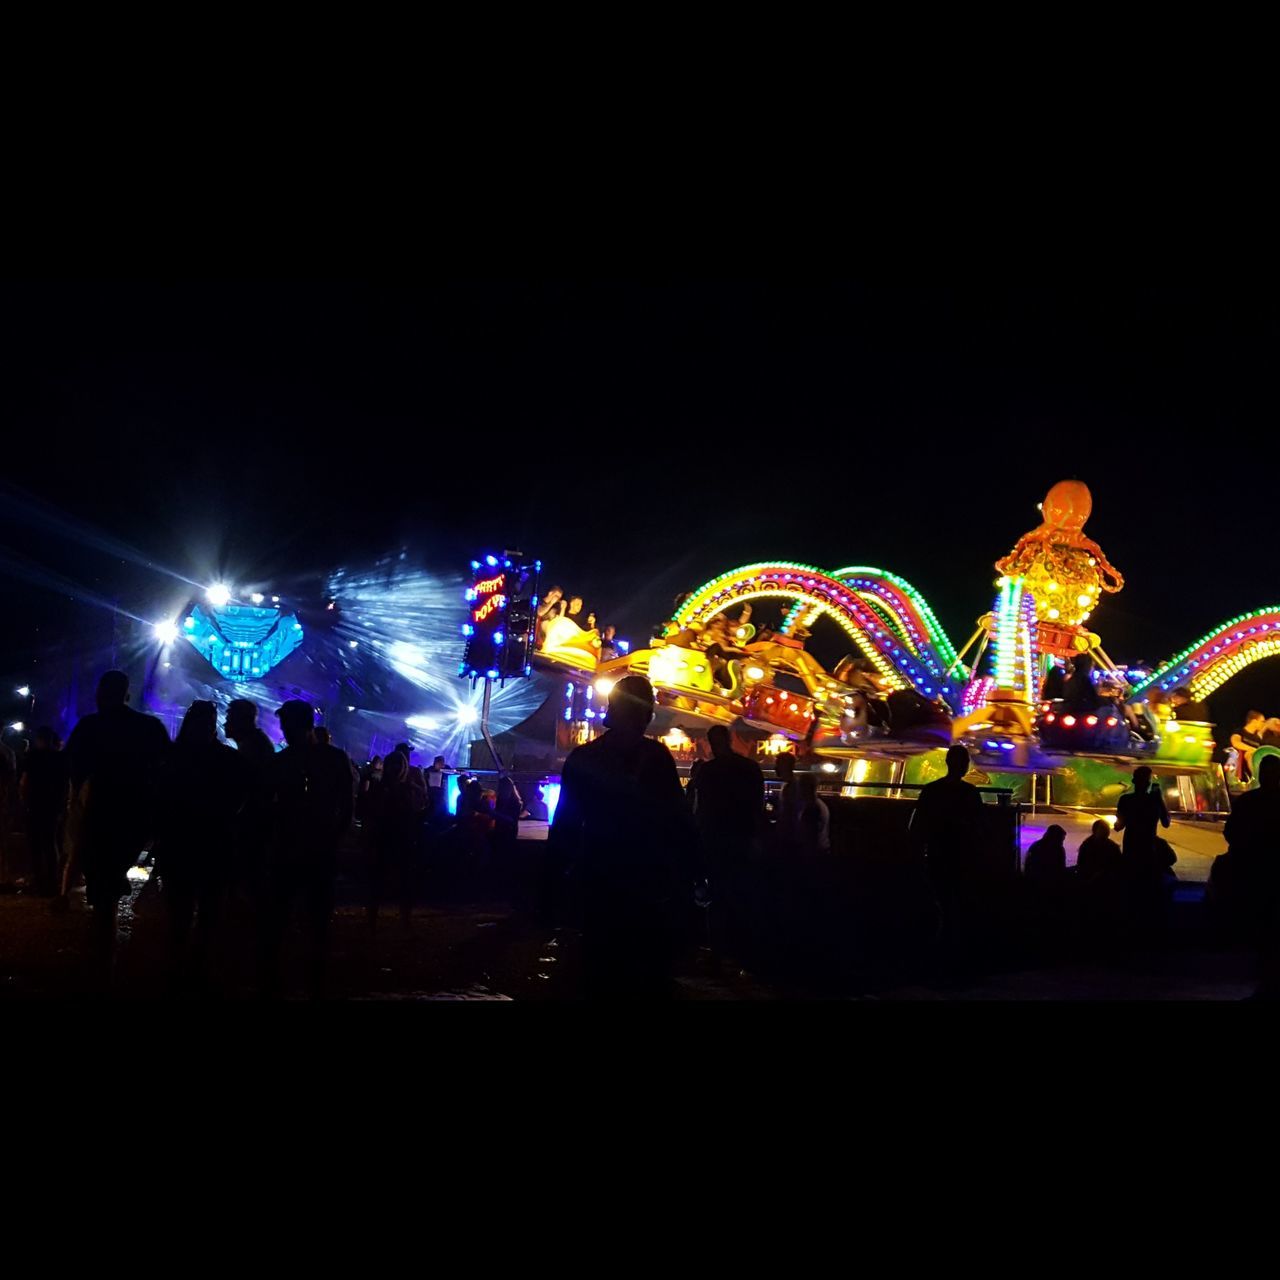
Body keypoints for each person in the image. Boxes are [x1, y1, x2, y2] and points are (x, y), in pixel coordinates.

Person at [548, 675, 701, 999]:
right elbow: (676, 822)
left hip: (598, 876)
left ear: (611, 710)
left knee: (597, 969)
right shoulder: (657, 759)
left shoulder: (583, 758)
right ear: (646, 715)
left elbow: (564, 825)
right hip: (645, 882)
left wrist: (553, 885)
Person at [63, 670, 172, 984]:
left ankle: (101, 957)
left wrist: (75, 808)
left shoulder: (90, 727)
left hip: (102, 815)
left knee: (103, 887)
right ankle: (103, 953)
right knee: (108, 884)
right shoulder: (147, 727)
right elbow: (165, 766)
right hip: (133, 818)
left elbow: (74, 772)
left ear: (102, 692)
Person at [258, 700, 355, 999]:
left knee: (291, 917)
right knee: (309, 919)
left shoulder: (285, 761)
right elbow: (347, 805)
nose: (286, 732)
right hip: (308, 849)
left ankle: (288, 979)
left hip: (300, 849)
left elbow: (267, 806)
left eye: (288, 725)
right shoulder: (332, 759)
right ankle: (311, 979)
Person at [154, 701, 247, 993]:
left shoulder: (171, 756)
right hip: (214, 845)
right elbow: (240, 800)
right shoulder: (228, 759)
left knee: (179, 915)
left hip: (179, 844)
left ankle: (176, 972)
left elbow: (157, 798)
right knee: (208, 915)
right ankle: (200, 971)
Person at [690, 725, 765, 942]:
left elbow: (701, 809)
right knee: (741, 895)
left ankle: (718, 947)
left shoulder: (708, 771)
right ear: (730, 739)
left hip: (716, 840)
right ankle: (739, 947)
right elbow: (756, 807)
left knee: (716, 895)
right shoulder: (749, 768)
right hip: (742, 839)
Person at [1221, 754, 1280, 996]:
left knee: (1261, 927)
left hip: (1254, 873)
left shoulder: (1248, 802)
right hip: (1271, 873)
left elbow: (1231, 832)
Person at [909, 744, 984, 895]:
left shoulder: (931, 790)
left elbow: (917, 825)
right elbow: (978, 825)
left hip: (936, 853)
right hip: (961, 857)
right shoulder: (971, 793)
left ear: (947, 762)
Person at [224, 698, 276, 899]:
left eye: (229, 718)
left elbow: (248, 790)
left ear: (241, 720)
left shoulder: (253, 748)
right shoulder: (254, 744)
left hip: (251, 828)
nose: (225, 723)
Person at [363, 750, 417, 931]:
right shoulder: (399, 789)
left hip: (391, 839)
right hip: (391, 839)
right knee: (395, 881)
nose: (396, 769)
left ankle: (378, 921)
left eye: (398, 765)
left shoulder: (386, 787)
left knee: (389, 881)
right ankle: (400, 921)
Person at [19, 727, 69, 897]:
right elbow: (66, 785)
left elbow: (24, 782)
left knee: (34, 844)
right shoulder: (61, 758)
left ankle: (37, 880)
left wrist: (23, 801)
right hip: (53, 806)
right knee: (50, 842)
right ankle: (52, 880)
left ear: (40, 739)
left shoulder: (33, 756)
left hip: (34, 804)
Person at [1076, 819, 1122, 884]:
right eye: (1103, 829)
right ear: (1095, 831)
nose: (1106, 831)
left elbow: (1118, 866)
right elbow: (1082, 865)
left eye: (1106, 829)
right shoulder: (1086, 846)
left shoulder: (1113, 847)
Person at [794, 774, 831, 854]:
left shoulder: (812, 808)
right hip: (821, 849)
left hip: (814, 853)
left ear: (805, 788)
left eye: (799, 786)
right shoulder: (820, 804)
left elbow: (811, 836)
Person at [1232, 711, 1267, 783]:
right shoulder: (1239, 732)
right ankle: (1256, 778)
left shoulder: (1258, 739)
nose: (1264, 724)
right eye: (1262, 721)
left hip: (1258, 761)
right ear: (1254, 721)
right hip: (1239, 764)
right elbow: (1236, 743)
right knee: (1249, 753)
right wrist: (1253, 750)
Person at [425, 755, 450, 820]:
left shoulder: (446, 769)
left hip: (442, 795)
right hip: (431, 794)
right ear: (435, 763)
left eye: (442, 763)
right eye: (439, 763)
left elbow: (452, 772)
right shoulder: (429, 770)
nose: (441, 765)